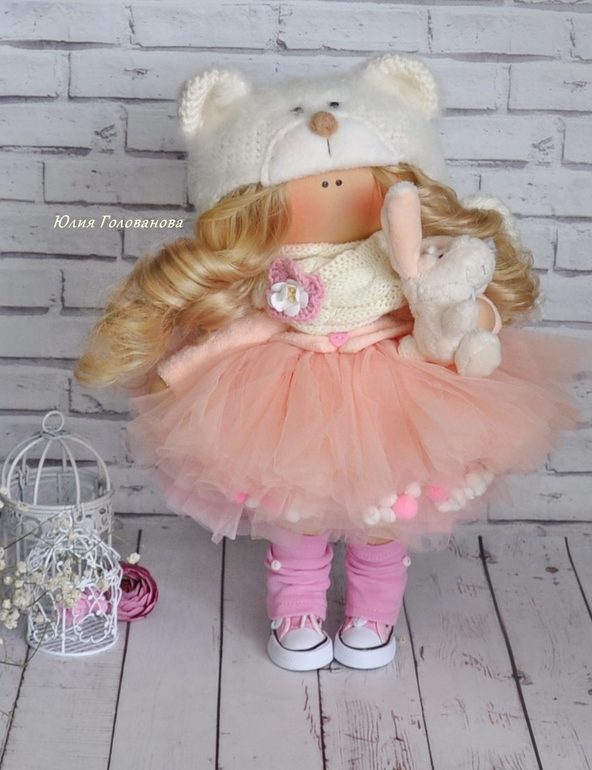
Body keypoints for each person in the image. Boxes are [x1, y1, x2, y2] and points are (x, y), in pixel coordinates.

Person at [74, 53, 585, 672]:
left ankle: (373, 615)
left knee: (385, 513)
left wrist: (474, 319)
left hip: (394, 381)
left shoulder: (409, 256)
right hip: (286, 387)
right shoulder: (273, 273)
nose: (331, 181)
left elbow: (439, 305)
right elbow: (249, 328)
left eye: (353, 176)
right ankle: (297, 612)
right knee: (297, 511)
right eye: (308, 182)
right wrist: (179, 371)